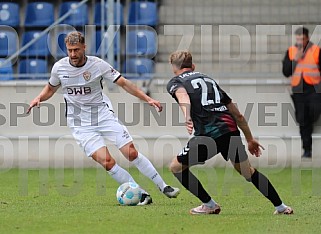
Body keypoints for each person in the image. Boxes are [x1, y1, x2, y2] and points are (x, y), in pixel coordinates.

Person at [27, 31, 180, 205]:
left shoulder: (98, 65)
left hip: (103, 115)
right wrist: (39, 98)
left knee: (131, 153)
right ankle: (141, 194)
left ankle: (163, 186)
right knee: (107, 161)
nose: (72, 54)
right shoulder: (59, 68)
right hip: (80, 124)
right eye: (69, 50)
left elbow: (124, 83)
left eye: (76, 50)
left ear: (84, 47)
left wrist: (148, 99)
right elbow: (50, 88)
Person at [166, 50, 293, 215]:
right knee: (248, 171)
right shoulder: (209, 80)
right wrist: (250, 139)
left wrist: (187, 116)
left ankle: (209, 205)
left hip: (207, 134)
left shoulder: (175, 82)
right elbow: (237, 114)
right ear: (193, 66)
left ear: (173, 68)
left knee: (176, 167)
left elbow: (183, 97)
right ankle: (281, 207)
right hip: (230, 130)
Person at [282, 27, 321, 158]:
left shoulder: (316, 51)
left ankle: (311, 122)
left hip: (314, 88)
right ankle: (307, 149)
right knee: (302, 119)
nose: (300, 42)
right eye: (298, 39)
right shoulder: (291, 51)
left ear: (307, 38)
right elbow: (286, 71)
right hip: (298, 89)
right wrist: (296, 59)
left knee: (314, 111)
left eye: (302, 39)